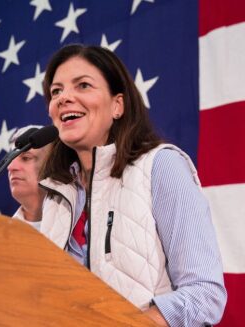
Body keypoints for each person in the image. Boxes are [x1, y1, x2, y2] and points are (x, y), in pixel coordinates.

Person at [38, 44, 227, 326]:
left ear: (117, 105)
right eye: (56, 91)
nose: (64, 98)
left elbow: (204, 294)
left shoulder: (161, 166)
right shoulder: (56, 196)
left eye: (83, 85)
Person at [7, 125, 52, 230]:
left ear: (53, 165)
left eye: (26, 158)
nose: (10, 167)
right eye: (10, 159)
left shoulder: (81, 231)